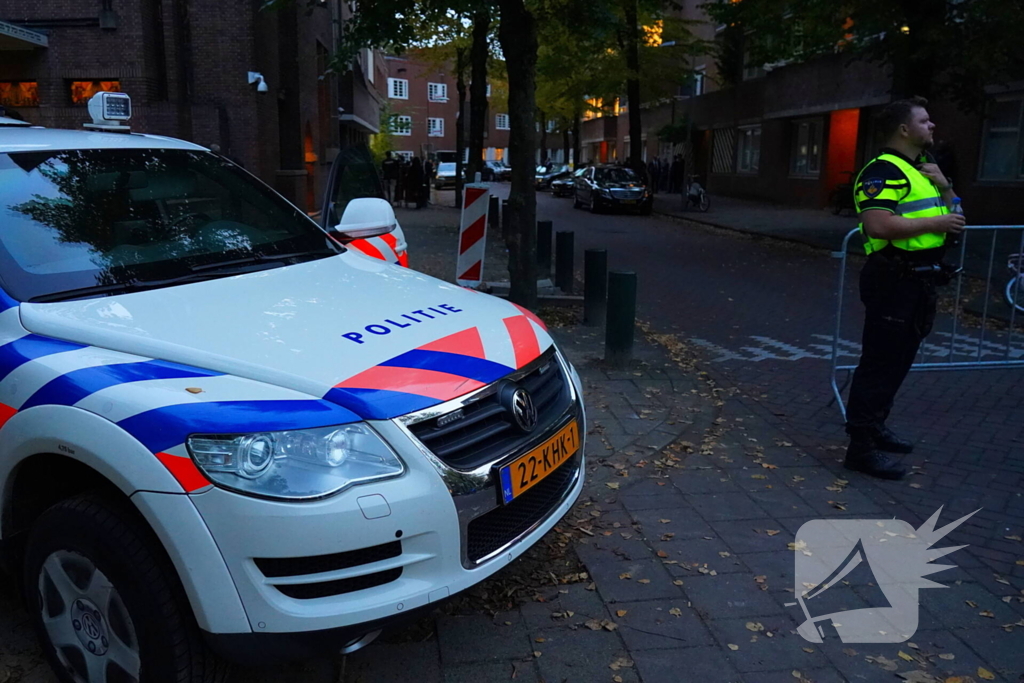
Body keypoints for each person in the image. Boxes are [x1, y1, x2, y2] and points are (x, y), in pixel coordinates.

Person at [844, 97, 965, 480]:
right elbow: (878, 224)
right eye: (924, 120)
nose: (932, 126)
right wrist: (936, 224)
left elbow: (956, 219)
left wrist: (946, 188)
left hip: (919, 280)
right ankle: (860, 447)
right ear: (903, 129)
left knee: (899, 362)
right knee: (880, 363)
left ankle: (876, 425)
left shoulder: (923, 171)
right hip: (893, 279)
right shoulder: (883, 171)